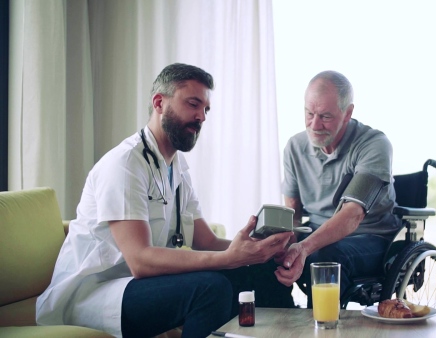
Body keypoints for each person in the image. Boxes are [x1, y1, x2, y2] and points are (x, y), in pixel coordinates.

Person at [36, 63, 294, 338]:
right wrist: (228, 259)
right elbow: (140, 260)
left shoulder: (177, 168)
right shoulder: (124, 165)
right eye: (193, 104)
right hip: (95, 293)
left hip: (140, 285)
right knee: (211, 287)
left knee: (264, 271)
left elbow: (205, 241)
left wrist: (256, 251)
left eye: (206, 109)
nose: (202, 117)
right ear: (159, 103)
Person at [274, 70, 399, 305]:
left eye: (325, 116)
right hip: (315, 236)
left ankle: (319, 328)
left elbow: (352, 215)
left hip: (370, 236)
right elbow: (292, 214)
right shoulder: (294, 147)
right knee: (265, 254)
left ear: (348, 113)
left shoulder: (374, 145)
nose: (314, 124)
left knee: (325, 257)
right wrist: (282, 246)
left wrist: (303, 249)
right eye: (309, 113)